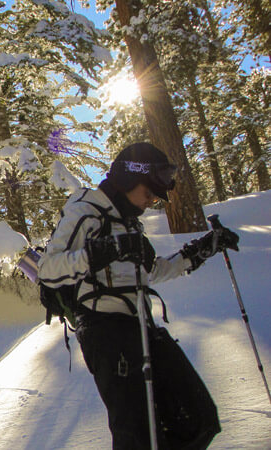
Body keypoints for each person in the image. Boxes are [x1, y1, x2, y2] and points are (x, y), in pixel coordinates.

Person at [38, 142, 237, 449]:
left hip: (140, 327)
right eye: (149, 194)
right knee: (138, 436)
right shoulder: (86, 210)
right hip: (104, 330)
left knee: (197, 418)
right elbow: (49, 269)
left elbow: (150, 271)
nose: (152, 201)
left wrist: (202, 249)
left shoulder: (128, 219)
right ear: (130, 178)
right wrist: (104, 250)